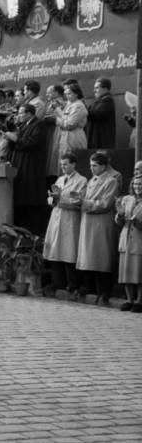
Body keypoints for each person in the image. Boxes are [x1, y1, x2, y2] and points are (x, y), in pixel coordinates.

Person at [75, 152, 119, 305]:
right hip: (88, 221)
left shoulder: (111, 181)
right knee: (88, 254)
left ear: (103, 166)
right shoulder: (91, 180)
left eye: (95, 165)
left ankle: (104, 290)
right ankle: (89, 287)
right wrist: (79, 200)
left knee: (100, 255)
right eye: (90, 165)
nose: (91, 168)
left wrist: (85, 203)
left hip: (101, 223)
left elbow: (106, 204)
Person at [43, 153, 87, 294]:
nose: (63, 167)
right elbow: (52, 200)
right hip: (56, 217)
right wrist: (51, 199)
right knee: (55, 250)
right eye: (61, 165)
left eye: (66, 164)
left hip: (70, 219)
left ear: (73, 164)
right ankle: (57, 282)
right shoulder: (60, 179)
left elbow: (78, 202)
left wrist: (60, 199)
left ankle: (72, 283)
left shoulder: (82, 180)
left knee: (69, 250)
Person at [7, 103, 48, 235]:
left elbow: (33, 143)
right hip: (19, 164)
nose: (19, 115)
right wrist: (11, 138)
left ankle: (33, 233)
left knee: (30, 198)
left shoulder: (39, 124)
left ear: (29, 113)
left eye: (21, 113)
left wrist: (16, 138)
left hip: (31, 166)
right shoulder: (23, 125)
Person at [115, 174, 142, 312]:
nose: (138, 186)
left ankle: (139, 301)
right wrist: (119, 215)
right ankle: (129, 300)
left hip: (139, 239)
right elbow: (119, 222)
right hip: (126, 239)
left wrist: (136, 221)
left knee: (139, 271)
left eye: (140, 184)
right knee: (126, 271)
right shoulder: (127, 199)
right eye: (135, 184)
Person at [86, 77, 116, 149]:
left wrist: (82, 108)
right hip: (95, 141)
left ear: (105, 89)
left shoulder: (108, 100)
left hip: (102, 142)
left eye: (97, 88)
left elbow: (97, 114)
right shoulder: (98, 101)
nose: (94, 90)